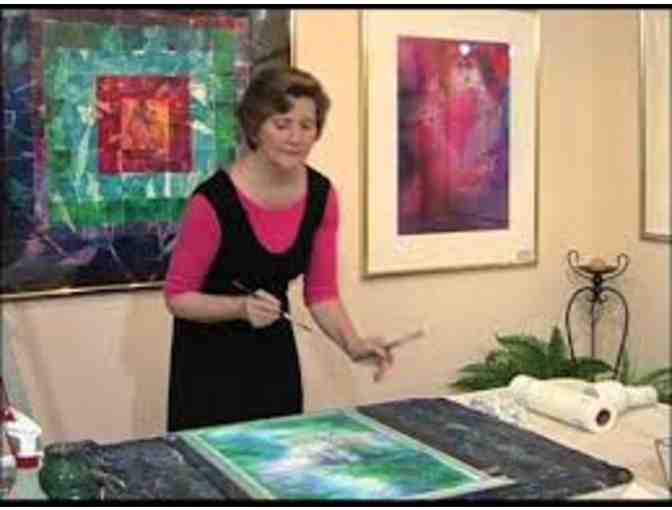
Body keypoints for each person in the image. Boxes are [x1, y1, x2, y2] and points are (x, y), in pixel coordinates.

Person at [164, 67, 393, 432]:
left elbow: (322, 295)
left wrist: (353, 344)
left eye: (307, 125)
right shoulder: (213, 200)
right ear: (256, 127)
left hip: (274, 358)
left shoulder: (321, 196)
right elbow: (178, 297)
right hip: (208, 365)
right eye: (282, 124)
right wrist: (239, 307)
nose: (295, 137)